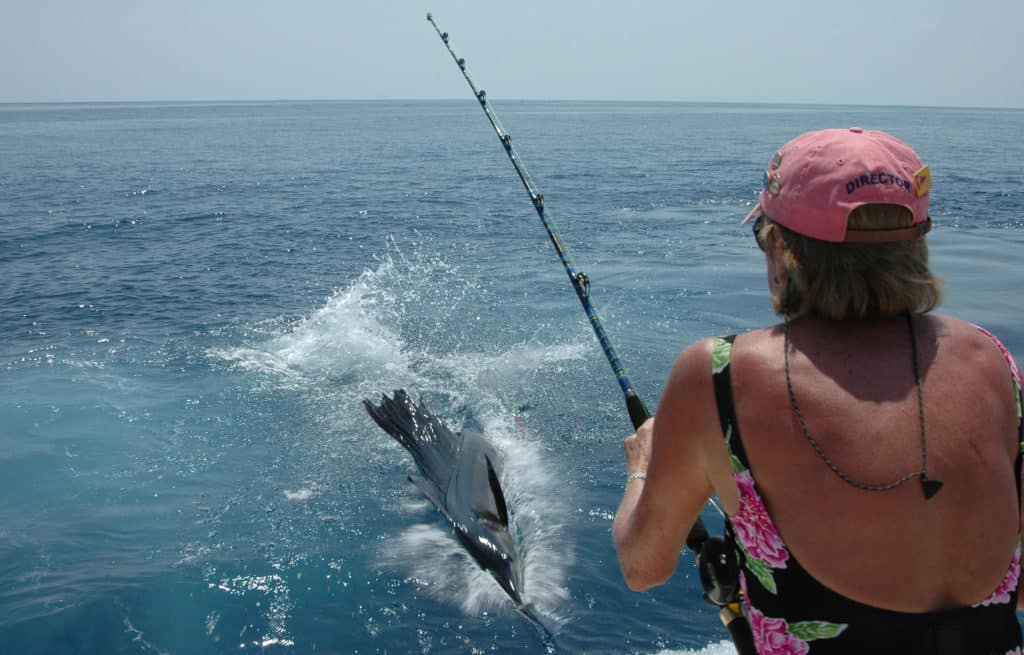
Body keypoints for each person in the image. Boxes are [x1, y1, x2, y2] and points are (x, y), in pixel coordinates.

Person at [612, 128, 1023, 653]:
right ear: (916, 244)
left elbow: (642, 567)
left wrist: (641, 467)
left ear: (783, 248)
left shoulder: (715, 376)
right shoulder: (997, 365)